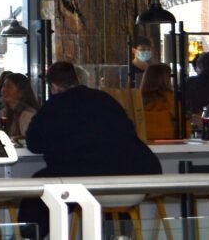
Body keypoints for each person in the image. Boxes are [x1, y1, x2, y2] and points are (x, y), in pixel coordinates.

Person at [17, 61, 161, 239]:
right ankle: (120, 235)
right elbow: (129, 129)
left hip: (87, 176)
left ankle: (27, 237)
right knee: (113, 197)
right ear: (77, 79)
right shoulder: (104, 98)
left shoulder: (54, 106)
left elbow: (34, 143)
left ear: (53, 86)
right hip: (136, 175)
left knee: (37, 193)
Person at [140, 63, 175, 141]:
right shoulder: (171, 100)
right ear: (167, 79)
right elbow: (185, 129)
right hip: (170, 143)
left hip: (143, 143)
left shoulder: (138, 100)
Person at [0, 73, 38, 139]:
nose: (3, 90)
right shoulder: (7, 112)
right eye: (3, 86)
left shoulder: (26, 115)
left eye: (9, 87)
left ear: (21, 93)